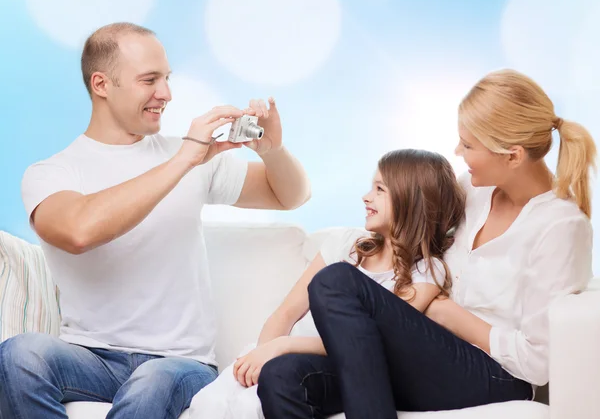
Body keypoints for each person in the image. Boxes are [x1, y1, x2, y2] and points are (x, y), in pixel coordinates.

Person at [0, 22, 311, 419]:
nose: (165, 93)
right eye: (150, 80)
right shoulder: (51, 173)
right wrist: (182, 159)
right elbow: (79, 231)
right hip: (91, 358)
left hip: (181, 365)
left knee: (151, 383)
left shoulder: (194, 158)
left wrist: (274, 150)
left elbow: (291, 195)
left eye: (166, 78)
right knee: (20, 354)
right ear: (102, 84)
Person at [258, 69, 596, 419]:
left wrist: (448, 314)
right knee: (281, 377)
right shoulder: (472, 190)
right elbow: (412, 221)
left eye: (468, 145)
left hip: (493, 374)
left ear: (512, 155)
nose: (457, 151)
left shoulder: (561, 227)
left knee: (335, 281)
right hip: (424, 352)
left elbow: (537, 362)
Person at [188, 148, 466, 419]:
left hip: (330, 367)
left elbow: (369, 344)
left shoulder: (427, 272)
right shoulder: (346, 245)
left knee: (282, 378)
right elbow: (285, 313)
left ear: (411, 199)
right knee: (224, 403)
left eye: (380, 190)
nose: (366, 197)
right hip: (279, 354)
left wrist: (284, 347)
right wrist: (264, 353)